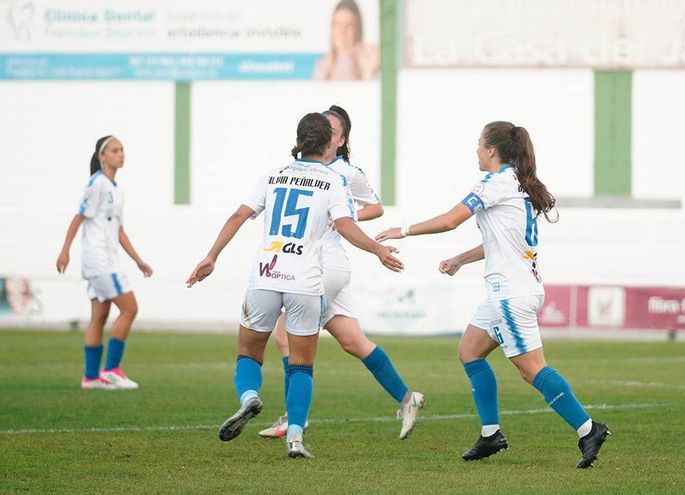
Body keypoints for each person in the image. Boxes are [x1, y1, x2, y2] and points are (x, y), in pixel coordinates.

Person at [376, 121, 610, 469]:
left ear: (491, 150)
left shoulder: (494, 182)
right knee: (470, 351)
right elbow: (499, 242)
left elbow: (451, 220)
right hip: (515, 290)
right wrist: (460, 259)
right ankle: (490, 434)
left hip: (511, 295)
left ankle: (588, 429)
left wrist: (404, 230)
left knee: (532, 370)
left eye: (479, 144)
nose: (476, 150)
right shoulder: (520, 184)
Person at [186, 113, 403, 459]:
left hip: (266, 276)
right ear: (328, 142)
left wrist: (212, 255)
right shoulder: (333, 180)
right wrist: (377, 249)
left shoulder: (274, 175)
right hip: (305, 282)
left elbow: (238, 215)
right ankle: (296, 438)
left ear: (299, 139)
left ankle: (249, 398)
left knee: (248, 354)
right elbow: (345, 225)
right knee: (302, 365)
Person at [259, 105, 425, 441]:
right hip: (323, 267)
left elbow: (375, 206)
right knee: (353, 341)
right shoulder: (307, 169)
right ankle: (408, 399)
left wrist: (346, 218)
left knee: (284, 336)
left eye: (331, 130)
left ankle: (295, 417)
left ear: (341, 139)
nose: (324, 133)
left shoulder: (344, 173)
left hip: (322, 266)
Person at [56, 135, 153, 391]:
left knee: (99, 316)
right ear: (102, 157)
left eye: (122, 149)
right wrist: (65, 250)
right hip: (100, 261)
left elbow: (119, 230)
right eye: (114, 150)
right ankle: (111, 370)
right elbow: (79, 217)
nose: (121, 154)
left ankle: (90, 377)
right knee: (130, 309)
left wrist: (138, 260)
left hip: (106, 259)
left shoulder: (117, 190)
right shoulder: (97, 183)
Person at [313, 0, 378, 80]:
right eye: (337, 24)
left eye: (348, 25)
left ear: (357, 28)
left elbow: (371, 90)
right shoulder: (322, 65)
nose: (342, 31)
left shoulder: (368, 60)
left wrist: (367, 71)